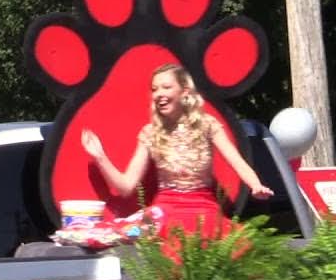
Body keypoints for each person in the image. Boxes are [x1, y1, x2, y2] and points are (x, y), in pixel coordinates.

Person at [81, 63, 273, 238]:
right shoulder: (150, 133)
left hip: (203, 209)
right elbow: (126, 187)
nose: (158, 94)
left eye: (166, 87)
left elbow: (237, 162)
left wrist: (255, 185)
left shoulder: (207, 125)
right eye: (154, 89)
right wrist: (100, 156)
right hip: (166, 210)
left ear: (184, 91)